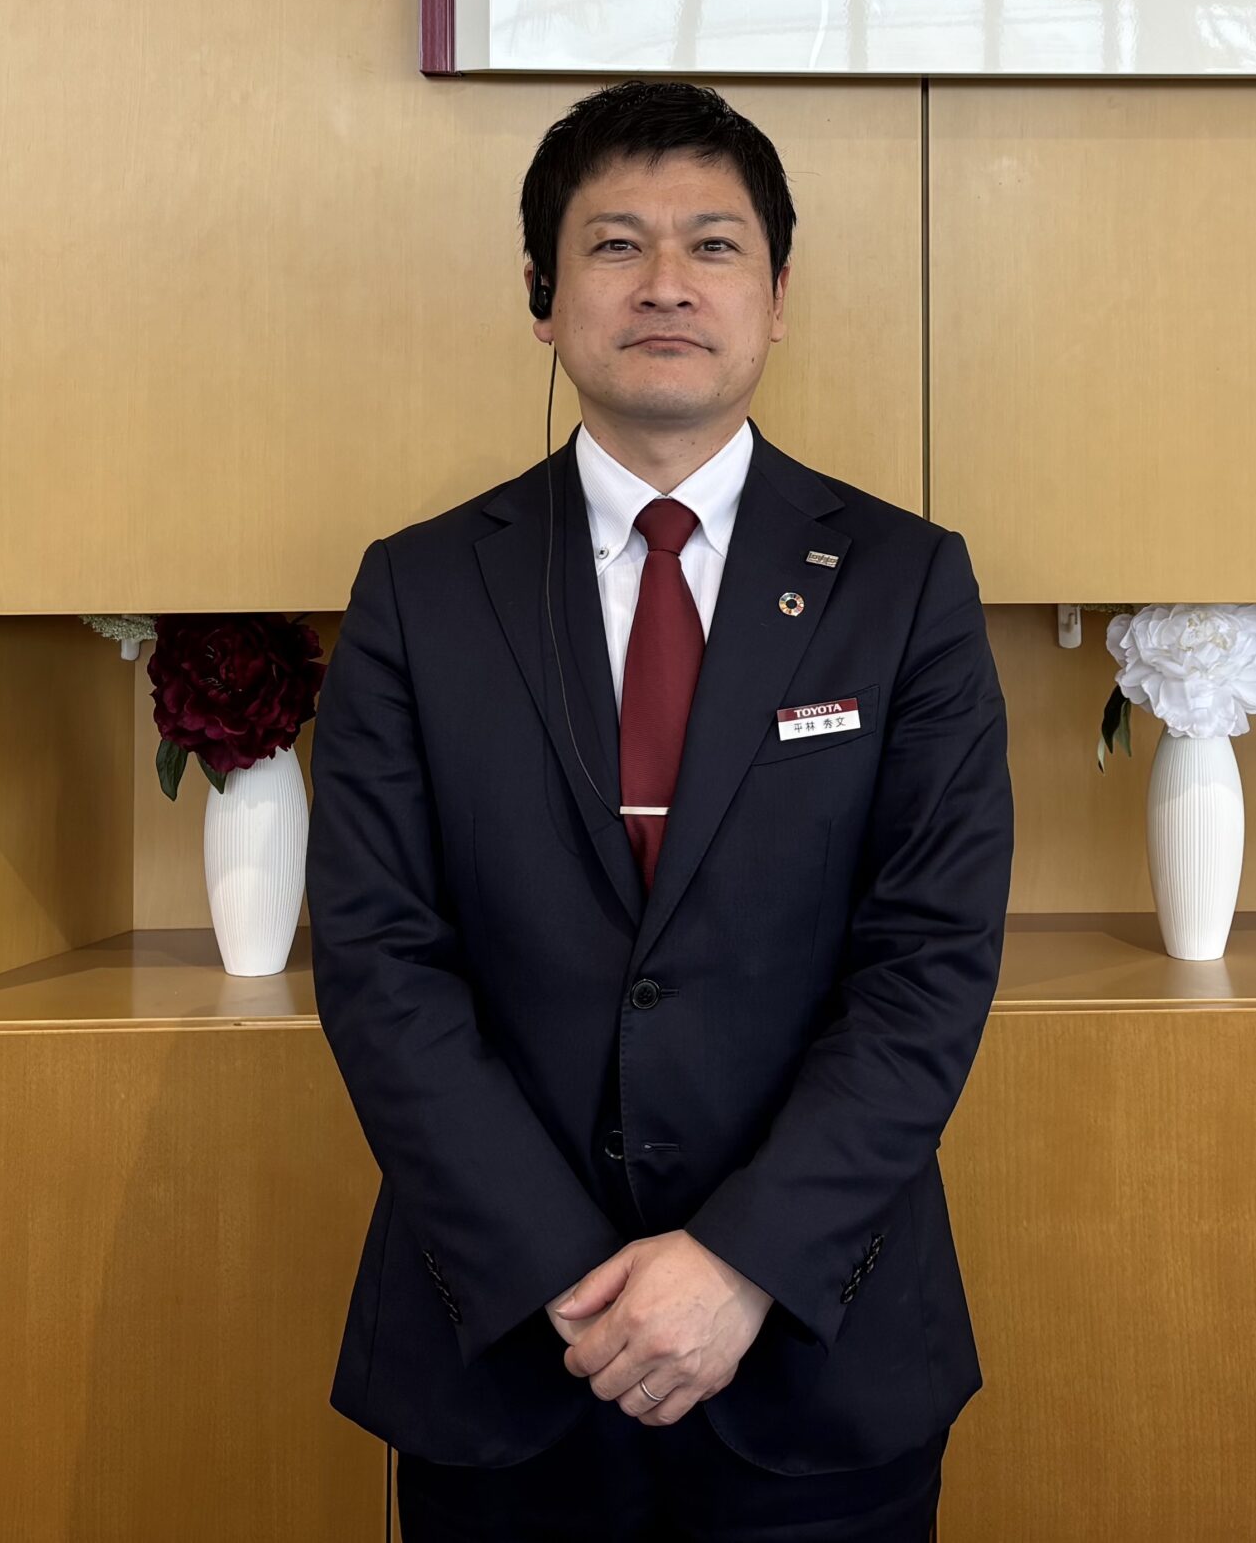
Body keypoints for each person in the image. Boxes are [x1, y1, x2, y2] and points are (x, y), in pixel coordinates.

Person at [307, 79, 1014, 1541]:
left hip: (817, 1349)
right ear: (543, 295)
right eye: (617, 243)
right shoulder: (420, 590)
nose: (668, 283)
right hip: (509, 1352)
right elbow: (381, 961)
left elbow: (929, 962)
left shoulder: (905, 586)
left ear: (777, 297)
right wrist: (568, 1277)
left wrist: (741, 1264)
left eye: (715, 244)